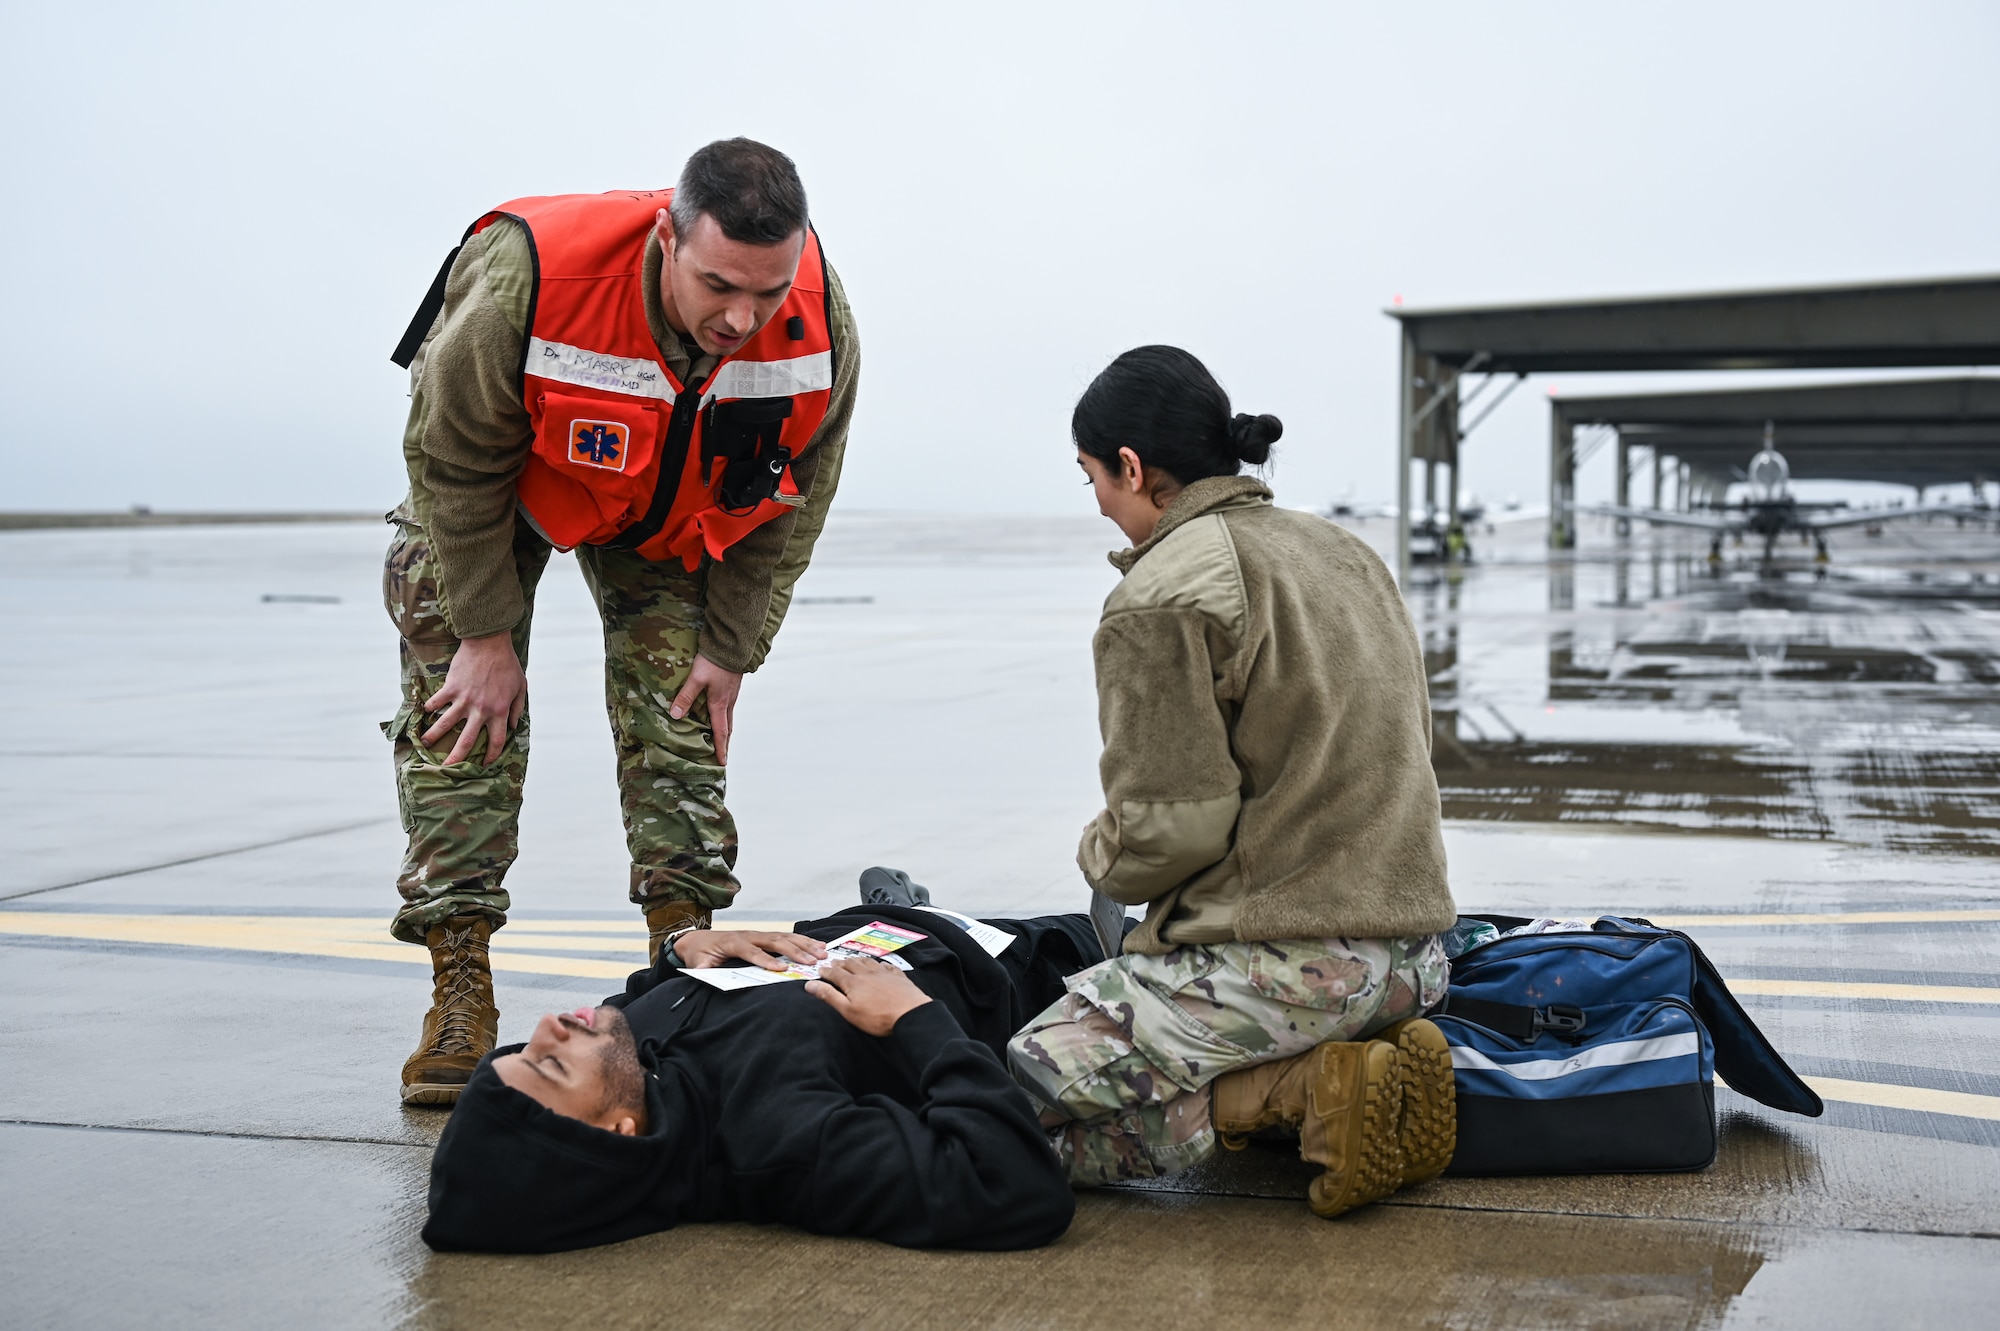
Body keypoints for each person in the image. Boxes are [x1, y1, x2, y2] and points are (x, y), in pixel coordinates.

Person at [382, 138, 859, 1104]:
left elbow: (792, 495)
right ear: (666, 237)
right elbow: (450, 456)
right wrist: (483, 634)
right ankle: (459, 985)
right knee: (465, 717)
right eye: (719, 284)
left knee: (685, 718)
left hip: (659, 504)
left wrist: (733, 649)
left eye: (766, 292)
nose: (743, 317)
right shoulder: (529, 276)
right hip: (495, 496)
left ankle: (683, 967)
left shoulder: (816, 321)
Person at [1005, 346, 1461, 1218]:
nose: (1098, 501)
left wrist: (1097, 857)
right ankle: (1328, 1075)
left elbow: (1168, 831)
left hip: (1292, 964)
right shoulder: (1345, 553)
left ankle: (1288, 1095)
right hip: (1414, 957)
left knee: (1001, 1102)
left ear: (1133, 467)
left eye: (1092, 476)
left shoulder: (1163, 594)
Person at [421, 890, 1108, 1253]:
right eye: (548, 1064)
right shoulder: (779, 1138)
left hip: (913, 924)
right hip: (1053, 966)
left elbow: (635, 995)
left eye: (519, 1048)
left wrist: (682, 949)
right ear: (616, 1133)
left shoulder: (629, 1051)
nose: (547, 1028)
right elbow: (1012, 1188)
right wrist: (915, 1021)